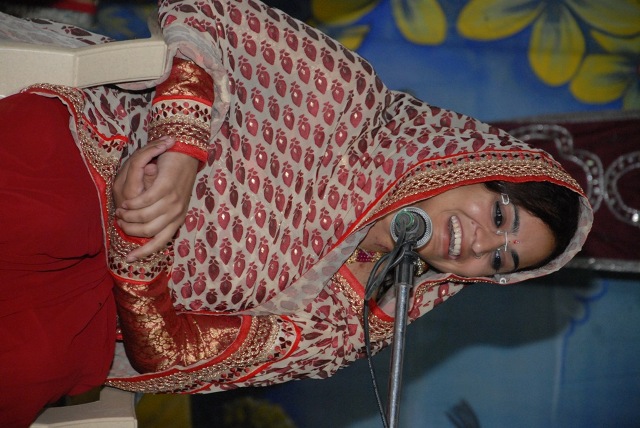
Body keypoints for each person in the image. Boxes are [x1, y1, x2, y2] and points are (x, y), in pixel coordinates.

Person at [0, 0, 592, 422]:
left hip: (104, 305)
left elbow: (174, 354)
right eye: (500, 218)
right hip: (98, 162)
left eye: (500, 262)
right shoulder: (347, 95)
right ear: (477, 164)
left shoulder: (354, 324)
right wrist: (180, 148)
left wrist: (138, 251)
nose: (480, 245)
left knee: (31, 362)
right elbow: (213, 18)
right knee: (41, 221)